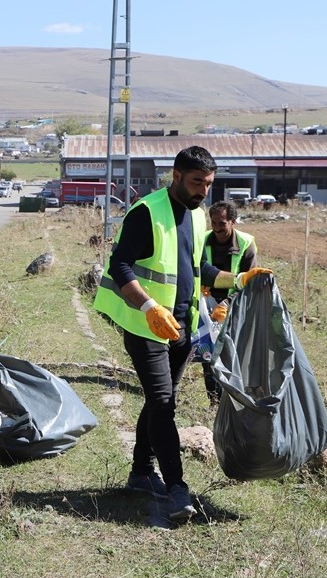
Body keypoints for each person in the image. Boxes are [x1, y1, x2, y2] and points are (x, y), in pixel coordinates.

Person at [93, 146, 272, 521]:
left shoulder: (197, 216)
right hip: (146, 325)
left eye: (208, 184)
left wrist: (237, 279)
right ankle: (177, 487)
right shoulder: (146, 213)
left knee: (161, 400)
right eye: (196, 183)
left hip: (181, 326)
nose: (203, 192)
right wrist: (149, 308)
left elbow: (199, 268)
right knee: (163, 403)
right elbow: (119, 264)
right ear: (175, 175)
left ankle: (141, 472)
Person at [200, 200, 257, 404]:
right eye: (213, 222)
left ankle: (233, 401)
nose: (216, 228)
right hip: (206, 305)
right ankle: (214, 401)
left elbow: (249, 282)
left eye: (221, 223)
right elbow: (198, 271)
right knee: (208, 353)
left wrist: (227, 303)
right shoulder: (204, 241)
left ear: (232, 221)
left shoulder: (245, 244)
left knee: (232, 354)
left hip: (235, 306)